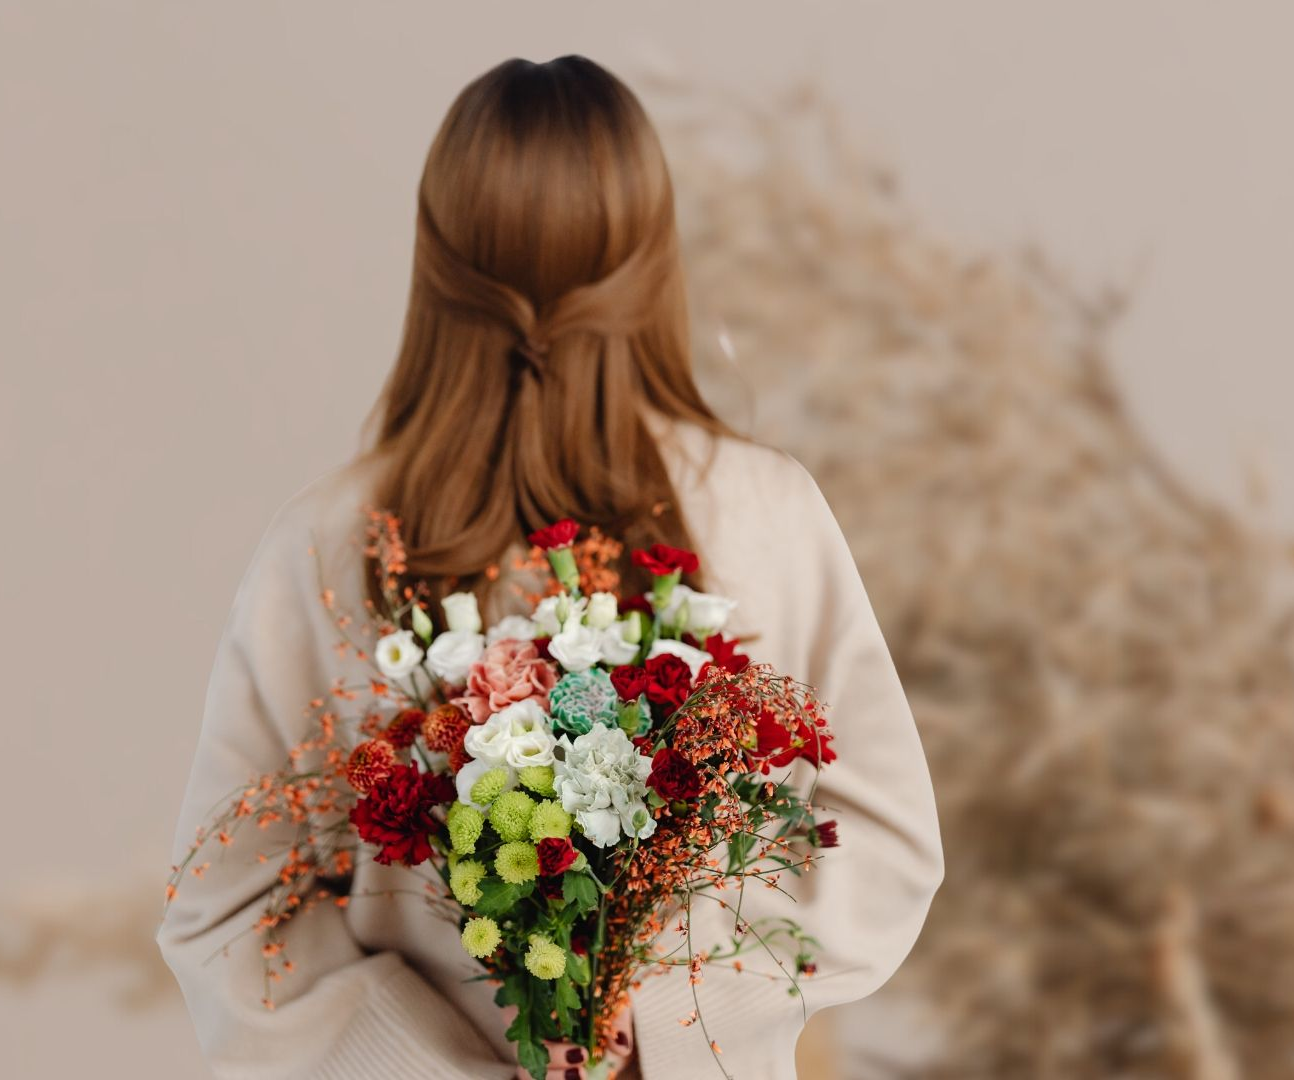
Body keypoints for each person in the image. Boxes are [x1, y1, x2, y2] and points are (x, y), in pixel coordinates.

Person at [157, 55, 943, 1080]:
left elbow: (226, 915)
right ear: (654, 253)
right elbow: (883, 852)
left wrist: (437, 1054)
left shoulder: (320, 544)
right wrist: (670, 1013)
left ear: (436, 261)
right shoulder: (767, 514)